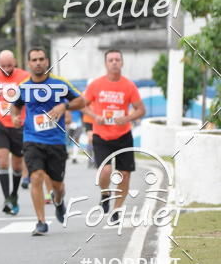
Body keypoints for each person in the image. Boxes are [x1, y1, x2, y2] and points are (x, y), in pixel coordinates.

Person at [12, 47, 85, 236]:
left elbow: (82, 101)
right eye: (34, 59)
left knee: (57, 185)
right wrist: (14, 117)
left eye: (41, 59)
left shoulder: (59, 84)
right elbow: (16, 106)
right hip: (32, 139)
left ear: (47, 61)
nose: (38, 63)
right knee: (35, 176)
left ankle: (59, 201)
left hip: (56, 141)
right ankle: (41, 222)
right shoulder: (24, 86)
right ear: (28, 64)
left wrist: (64, 105)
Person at [84, 50, 145, 224]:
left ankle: (117, 210)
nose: (114, 63)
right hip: (101, 136)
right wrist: (95, 117)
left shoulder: (129, 86)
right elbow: (83, 105)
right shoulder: (96, 85)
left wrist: (127, 118)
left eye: (117, 60)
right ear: (106, 64)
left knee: (124, 175)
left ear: (122, 63)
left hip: (123, 135)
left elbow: (141, 109)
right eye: (110, 60)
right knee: (105, 171)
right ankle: (105, 193)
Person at [0, 50, 29, 215]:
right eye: (3, 66)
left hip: (18, 124)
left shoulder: (24, 76)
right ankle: (6, 199)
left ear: (15, 63)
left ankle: (14, 194)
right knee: (3, 161)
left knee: (17, 165)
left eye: (9, 66)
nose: (6, 69)